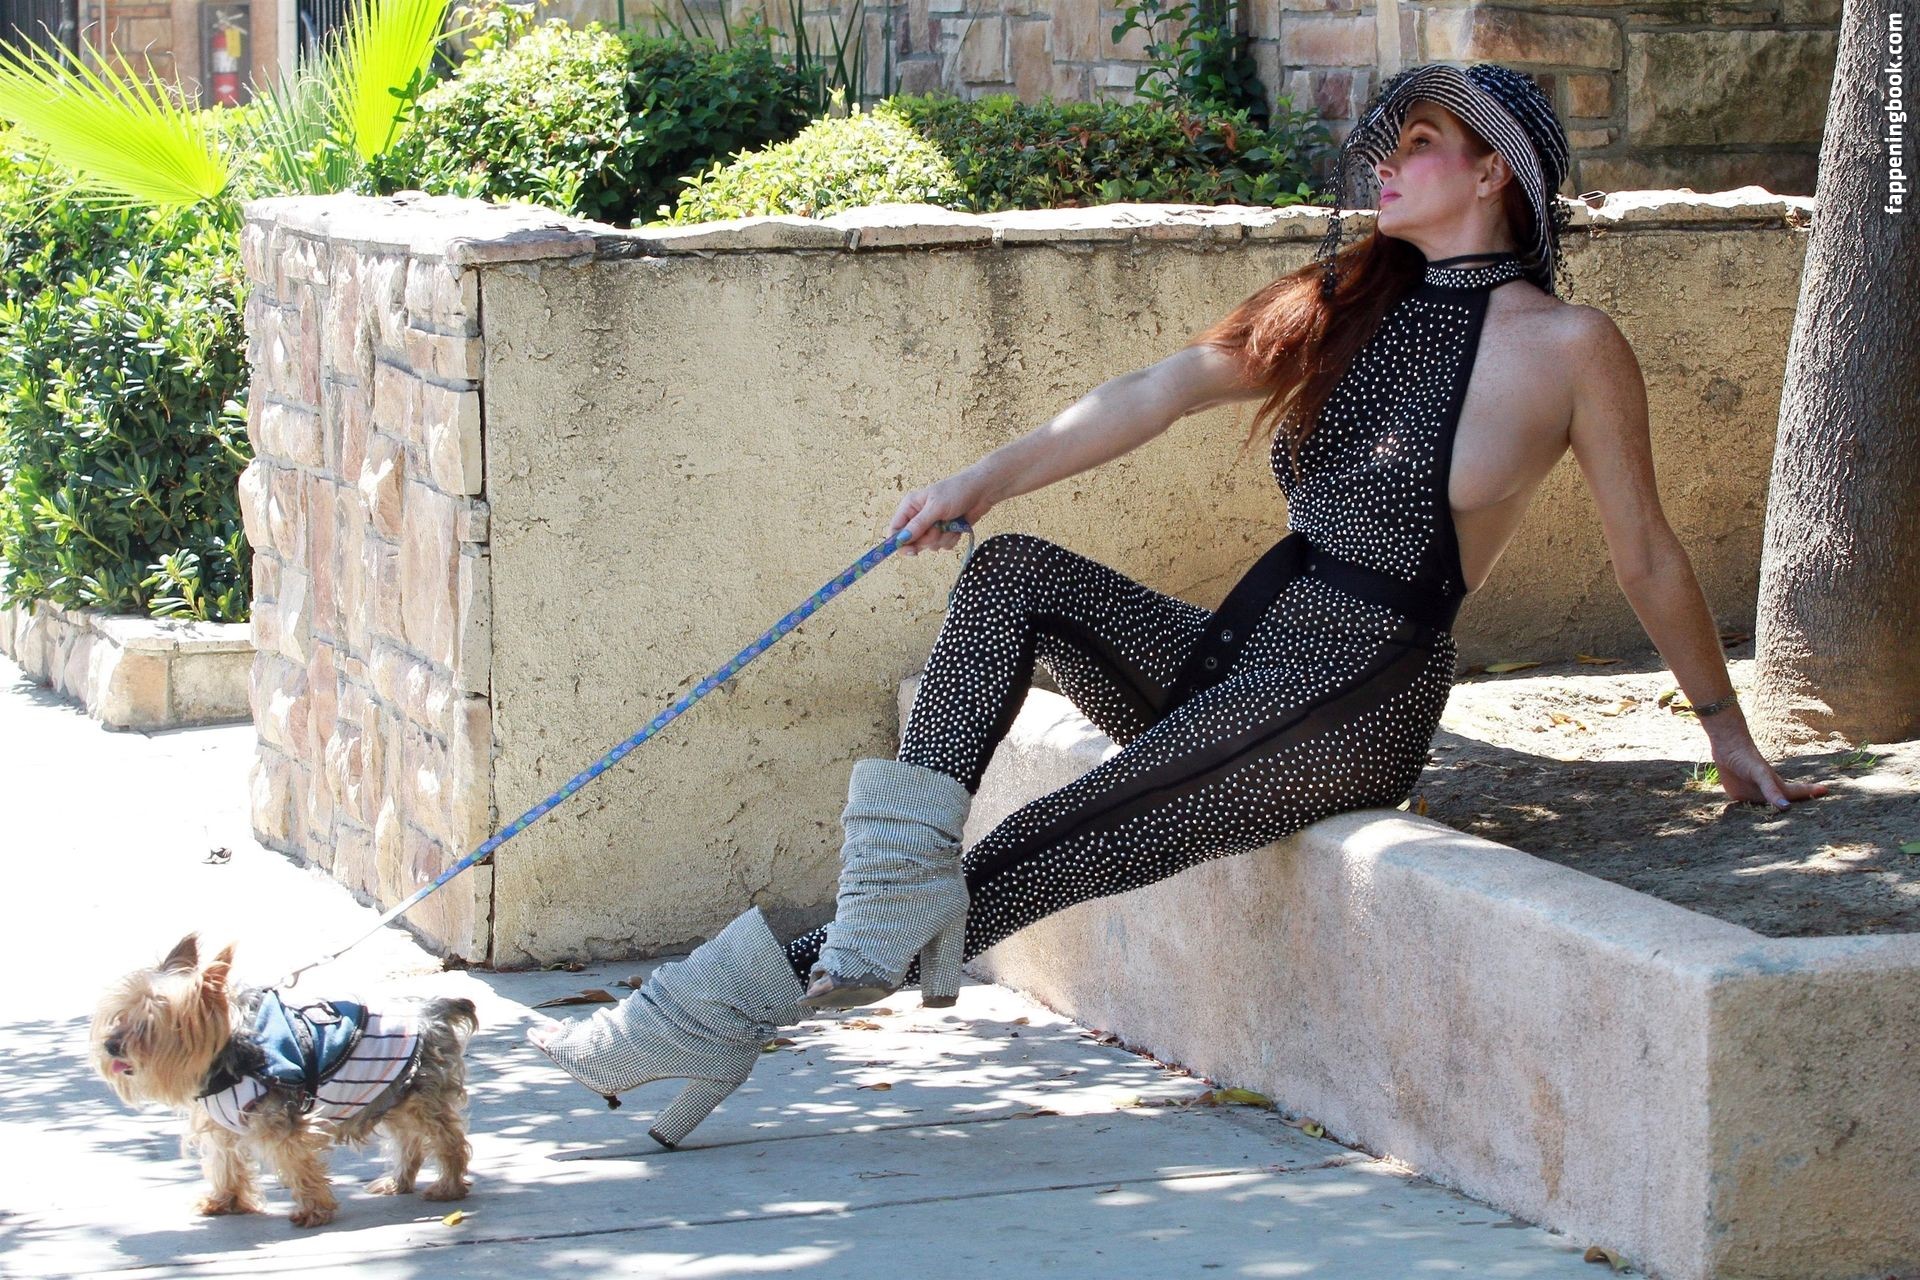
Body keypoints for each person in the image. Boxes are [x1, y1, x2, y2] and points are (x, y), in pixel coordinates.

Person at [527, 61, 1830, 1150]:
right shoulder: (1341, 307)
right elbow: (1152, 394)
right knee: (1011, 574)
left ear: (1495, 172)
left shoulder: (1571, 347)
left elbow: (1648, 555)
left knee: (1044, 844)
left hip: (1350, 703)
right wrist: (976, 482)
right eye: (1388, 148)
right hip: (1240, 653)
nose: (1386, 166)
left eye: (1421, 146)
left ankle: (709, 1016)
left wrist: (1725, 731)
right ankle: (863, 921)